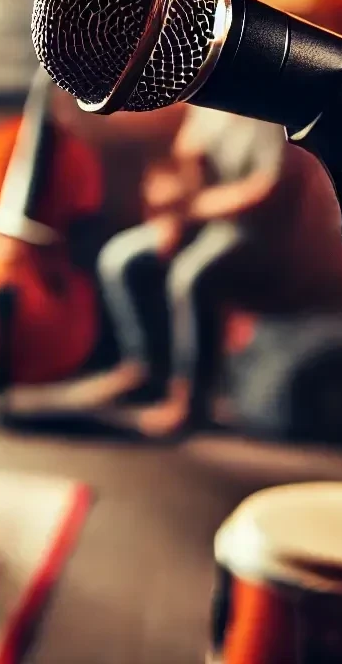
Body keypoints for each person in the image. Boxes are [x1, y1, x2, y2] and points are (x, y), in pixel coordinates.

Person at [81, 104, 290, 438]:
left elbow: (267, 187)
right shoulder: (207, 105)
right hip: (199, 218)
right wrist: (172, 208)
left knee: (189, 276)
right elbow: (187, 159)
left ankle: (190, 398)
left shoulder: (266, 116)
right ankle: (143, 369)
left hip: (246, 230)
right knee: (120, 257)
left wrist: (197, 208)